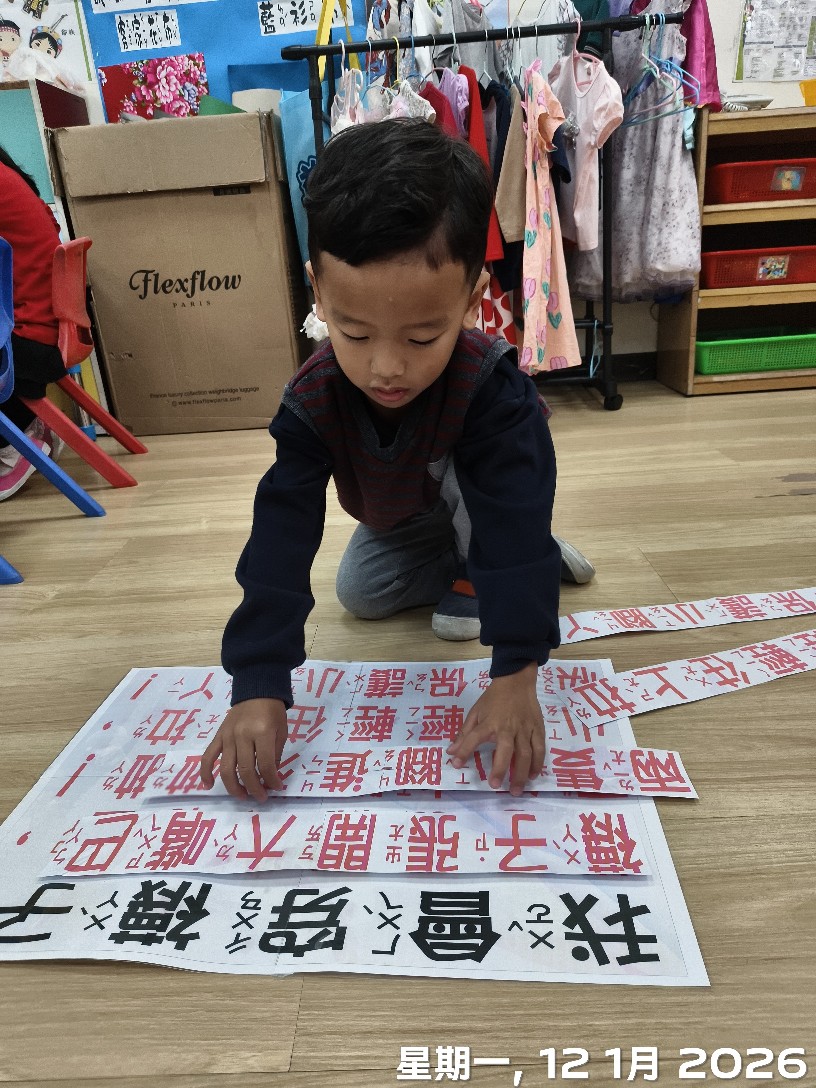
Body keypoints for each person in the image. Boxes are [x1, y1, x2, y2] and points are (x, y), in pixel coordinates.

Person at [200, 119, 593, 805]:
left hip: (488, 499)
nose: (386, 367)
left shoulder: (492, 389)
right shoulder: (312, 401)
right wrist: (258, 683)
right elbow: (281, 535)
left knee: (507, 530)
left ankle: (514, 559)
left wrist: (516, 674)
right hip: (408, 516)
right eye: (353, 333)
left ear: (472, 300)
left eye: (421, 337)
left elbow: (514, 499)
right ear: (318, 292)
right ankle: (486, 558)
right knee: (361, 593)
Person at [0, 145, 64, 500]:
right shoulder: (10, 177)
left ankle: (13, 444)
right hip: (48, 329)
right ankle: (29, 426)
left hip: (26, 341)